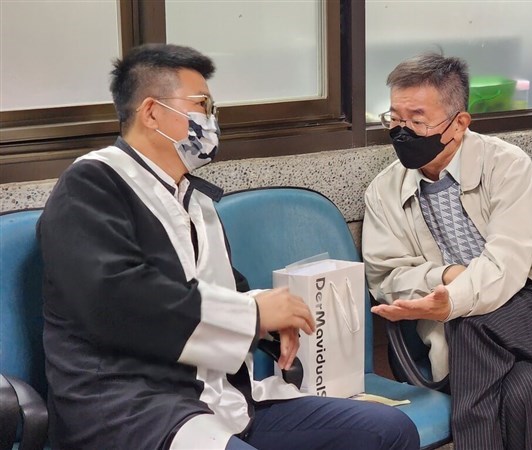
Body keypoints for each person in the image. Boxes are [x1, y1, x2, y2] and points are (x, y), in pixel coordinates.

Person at [37, 43, 418, 450]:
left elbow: (225, 291)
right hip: (131, 407)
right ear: (151, 112)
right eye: (201, 105)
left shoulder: (196, 200)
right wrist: (253, 313)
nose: (211, 120)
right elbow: (117, 298)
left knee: (389, 431)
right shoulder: (92, 185)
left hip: (221, 397)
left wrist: (269, 323)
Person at [363, 53, 532, 449]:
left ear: (460, 123)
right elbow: (386, 276)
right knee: (524, 390)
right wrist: (446, 277)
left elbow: (508, 266)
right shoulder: (384, 190)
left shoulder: (506, 165)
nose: (402, 131)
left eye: (417, 120)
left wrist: (450, 301)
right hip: (483, 348)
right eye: (395, 119)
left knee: (470, 321)